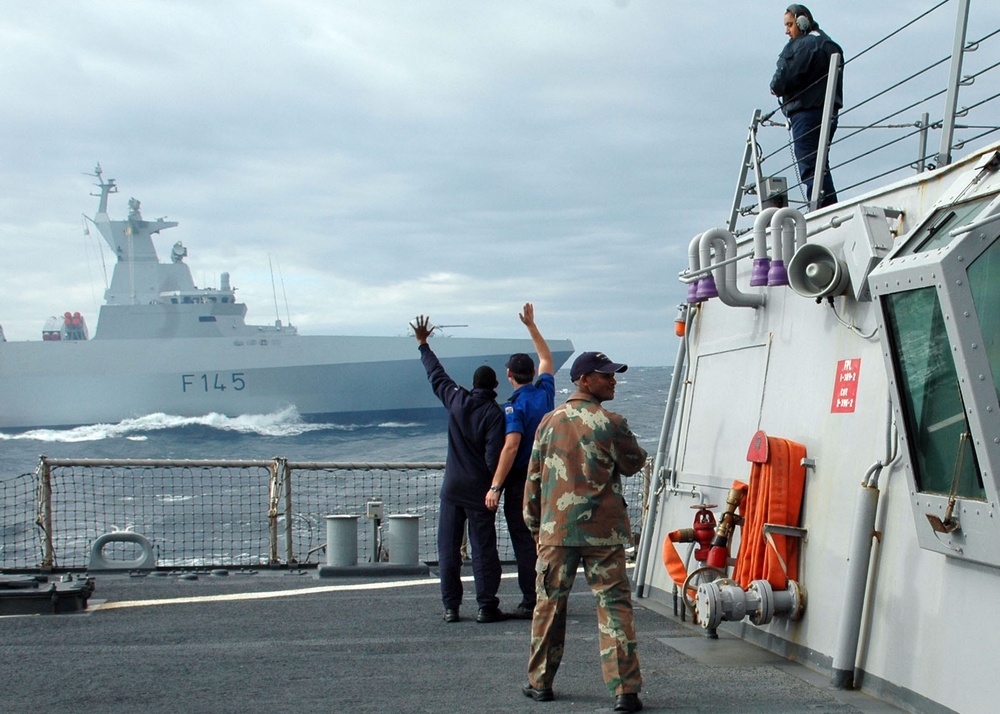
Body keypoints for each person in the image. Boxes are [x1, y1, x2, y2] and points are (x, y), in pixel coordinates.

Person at [521, 351, 648, 713]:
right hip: (604, 534)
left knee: (549, 605)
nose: (613, 380)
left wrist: (534, 524)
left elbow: (533, 478)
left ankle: (540, 682)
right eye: (605, 375)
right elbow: (634, 463)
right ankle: (625, 691)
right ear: (584, 380)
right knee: (614, 607)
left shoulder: (548, 422)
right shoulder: (612, 422)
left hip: (556, 532)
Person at [411, 314, 507, 624]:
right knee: (483, 551)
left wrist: (424, 344)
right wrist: (496, 486)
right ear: (494, 386)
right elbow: (494, 457)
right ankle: (485, 605)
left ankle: (451, 607)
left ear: (473, 384)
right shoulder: (495, 415)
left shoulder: (456, 400)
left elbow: (437, 376)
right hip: (480, 492)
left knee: (449, 551)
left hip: (452, 489)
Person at [485, 303, 555, 620]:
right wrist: (531, 327)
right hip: (551, 478)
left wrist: (495, 486)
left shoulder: (514, 406)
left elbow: (511, 446)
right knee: (546, 538)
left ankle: (531, 600)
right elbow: (546, 358)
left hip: (523, 482)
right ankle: (551, 594)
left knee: (524, 540)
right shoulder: (544, 392)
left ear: (509, 375)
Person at [770, 3, 843, 208]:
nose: (787, 31)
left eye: (790, 24)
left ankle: (821, 209)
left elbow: (780, 81)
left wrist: (775, 87)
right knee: (821, 164)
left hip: (805, 113)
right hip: (828, 113)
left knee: (809, 165)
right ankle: (829, 206)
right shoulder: (830, 45)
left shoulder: (802, 46)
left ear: (802, 22)